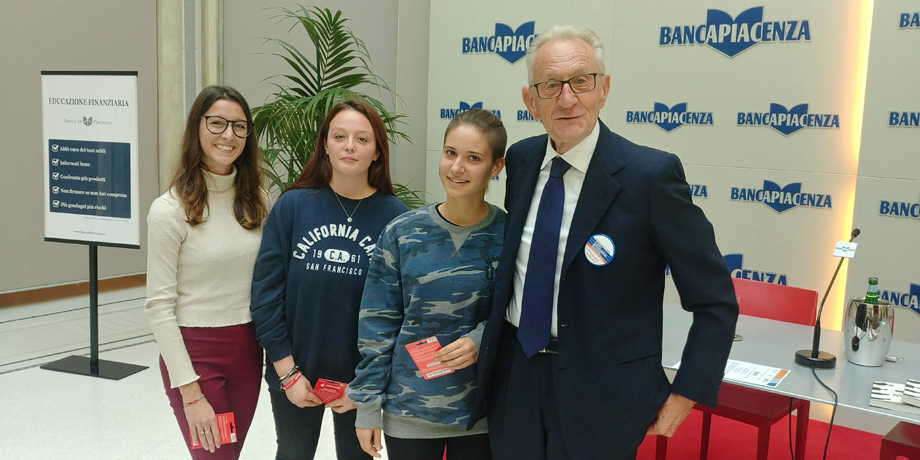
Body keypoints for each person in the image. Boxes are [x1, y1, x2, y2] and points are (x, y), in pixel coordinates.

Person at [469, 25, 740, 460]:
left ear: (604, 89)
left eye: (582, 80)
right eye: (551, 85)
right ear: (530, 100)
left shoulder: (650, 176)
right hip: (515, 378)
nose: (568, 98)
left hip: (604, 395)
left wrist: (687, 392)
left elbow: (715, 301)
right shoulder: (520, 160)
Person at [250, 99, 409, 460]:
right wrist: (287, 373)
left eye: (362, 139)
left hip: (360, 382)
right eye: (340, 136)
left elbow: (400, 314)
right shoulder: (293, 207)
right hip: (293, 373)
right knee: (292, 454)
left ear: (377, 153)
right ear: (325, 145)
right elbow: (265, 297)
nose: (349, 146)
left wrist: (367, 386)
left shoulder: (396, 219)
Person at [350, 109, 507, 460]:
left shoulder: (510, 236)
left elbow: (521, 311)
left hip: (482, 414)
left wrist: (480, 340)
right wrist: (367, 406)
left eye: (474, 158)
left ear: (496, 167)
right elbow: (377, 326)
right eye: (450, 153)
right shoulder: (401, 233)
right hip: (409, 412)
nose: (456, 168)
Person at [145, 85, 269, 459]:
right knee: (216, 455)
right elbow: (159, 307)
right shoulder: (169, 210)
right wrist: (190, 392)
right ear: (197, 128)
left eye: (239, 127)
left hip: (248, 351)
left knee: (229, 453)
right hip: (196, 355)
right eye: (217, 123)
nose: (228, 135)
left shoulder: (257, 199)